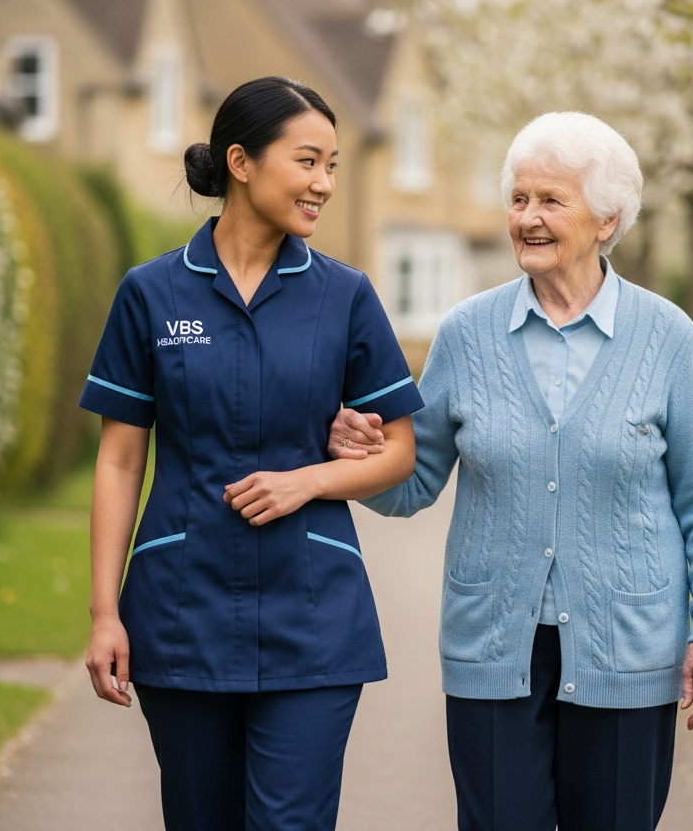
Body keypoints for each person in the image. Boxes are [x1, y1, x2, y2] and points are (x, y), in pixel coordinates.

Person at [330, 112, 693, 831]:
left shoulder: (667, 336)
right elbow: (415, 481)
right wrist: (361, 456)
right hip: (493, 647)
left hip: (627, 651)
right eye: (519, 200)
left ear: (608, 220)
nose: (528, 218)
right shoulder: (467, 333)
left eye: (552, 201)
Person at [79, 77, 424, 831]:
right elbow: (119, 461)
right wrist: (106, 613)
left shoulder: (345, 296)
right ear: (241, 161)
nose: (324, 184)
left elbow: (399, 451)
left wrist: (309, 480)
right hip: (179, 610)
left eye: (333, 165)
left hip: (314, 612)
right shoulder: (151, 294)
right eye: (308, 161)